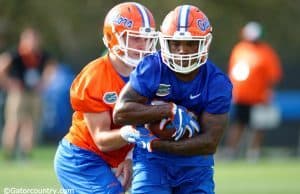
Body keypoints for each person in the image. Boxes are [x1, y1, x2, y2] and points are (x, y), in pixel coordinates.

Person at [113, 5, 232, 194]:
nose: (182, 50)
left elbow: (210, 142)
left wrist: (156, 143)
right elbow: (120, 113)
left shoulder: (217, 82)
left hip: (195, 166)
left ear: (204, 43)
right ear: (164, 42)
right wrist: (168, 110)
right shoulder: (152, 67)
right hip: (152, 162)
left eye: (191, 43)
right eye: (175, 43)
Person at [53, 2, 158, 193]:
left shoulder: (150, 73)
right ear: (112, 37)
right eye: (134, 38)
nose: (142, 45)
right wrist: (129, 134)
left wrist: (129, 157)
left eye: (146, 38)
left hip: (118, 155)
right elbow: (101, 139)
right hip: (83, 157)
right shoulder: (95, 76)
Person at [224, 21, 282, 161]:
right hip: (241, 96)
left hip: (259, 97)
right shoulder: (239, 49)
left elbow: (273, 75)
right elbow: (233, 72)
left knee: (259, 126)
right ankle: (231, 152)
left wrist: (269, 92)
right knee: (238, 124)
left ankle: (253, 153)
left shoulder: (266, 51)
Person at [0, 27, 54, 160]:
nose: (33, 42)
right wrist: (9, 83)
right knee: (14, 122)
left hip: (34, 94)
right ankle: (9, 152)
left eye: (35, 39)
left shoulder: (41, 56)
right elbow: (2, 68)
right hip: (18, 93)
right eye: (30, 39)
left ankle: (25, 153)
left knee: (31, 124)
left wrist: (44, 83)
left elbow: (51, 67)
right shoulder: (15, 54)